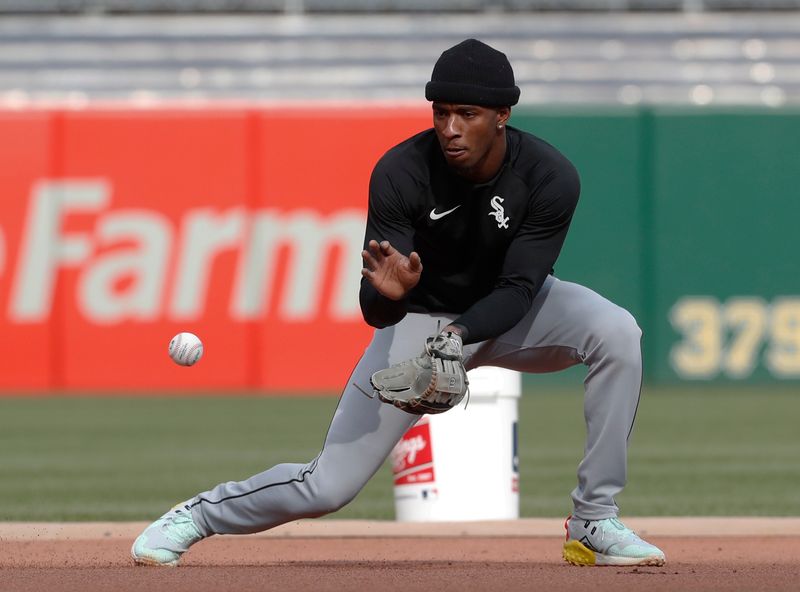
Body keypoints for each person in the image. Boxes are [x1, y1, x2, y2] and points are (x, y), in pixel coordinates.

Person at [131, 38, 665, 568]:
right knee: (328, 486)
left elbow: (522, 288)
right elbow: (377, 309)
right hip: (420, 318)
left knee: (617, 332)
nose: (450, 128)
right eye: (441, 112)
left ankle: (594, 518)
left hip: (512, 312)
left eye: (468, 113)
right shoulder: (401, 172)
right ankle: (197, 516)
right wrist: (387, 298)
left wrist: (458, 336)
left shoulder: (549, 176)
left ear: (503, 114)